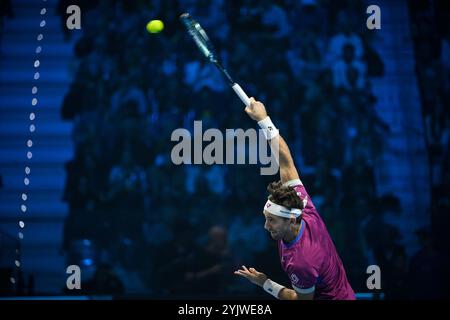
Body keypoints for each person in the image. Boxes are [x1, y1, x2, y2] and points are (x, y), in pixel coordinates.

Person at [234, 98, 355, 300]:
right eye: (266, 217)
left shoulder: (301, 261)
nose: (265, 226)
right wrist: (263, 119)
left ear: (290, 220)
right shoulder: (303, 206)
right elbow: (285, 161)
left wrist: (265, 283)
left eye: (271, 220)